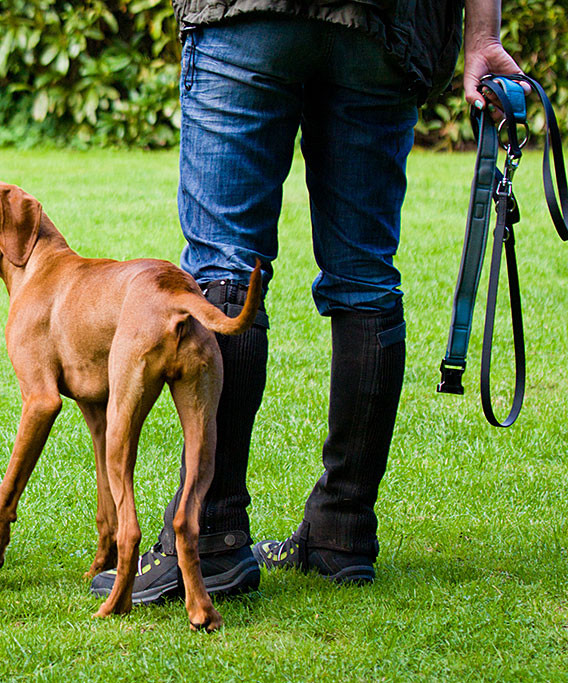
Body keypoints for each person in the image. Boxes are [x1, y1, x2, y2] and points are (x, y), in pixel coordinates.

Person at [91, 0, 523, 602]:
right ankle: (343, 531)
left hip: (250, 17)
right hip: (387, 24)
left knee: (226, 265)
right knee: (365, 275)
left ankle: (211, 535)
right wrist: (482, 37)